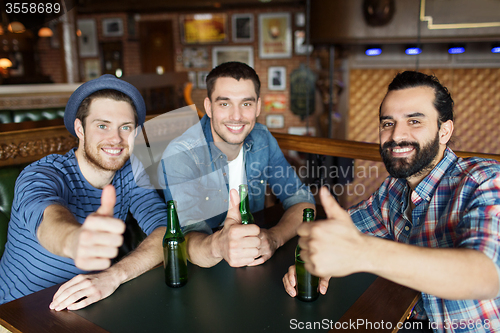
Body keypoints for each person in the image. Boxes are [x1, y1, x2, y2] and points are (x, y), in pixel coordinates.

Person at [283, 71, 500, 332]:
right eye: (388, 123)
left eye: (414, 121)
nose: (396, 135)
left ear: (444, 131)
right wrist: (311, 258)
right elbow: (345, 231)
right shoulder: (394, 190)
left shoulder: (484, 179)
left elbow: (487, 276)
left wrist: (362, 253)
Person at [0, 74, 168, 311]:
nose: (116, 139)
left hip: (84, 308)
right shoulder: (42, 174)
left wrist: (114, 275)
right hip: (15, 313)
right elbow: (49, 217)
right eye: (102, 126)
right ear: (80, 129)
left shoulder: (130, 173)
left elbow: (165, 230)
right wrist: (74, 241)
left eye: (126, 127)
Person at [159, 61, 315, 268]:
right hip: (204, 272)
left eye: (246, 104)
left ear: (258, 107)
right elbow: (187, 240)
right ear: (208, 107)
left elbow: (302, 201)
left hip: (255, 261)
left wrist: (274, 238)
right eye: (224, 103)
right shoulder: (181, 154)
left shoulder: (262, 138)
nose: (236, 116)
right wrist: (220, 245)